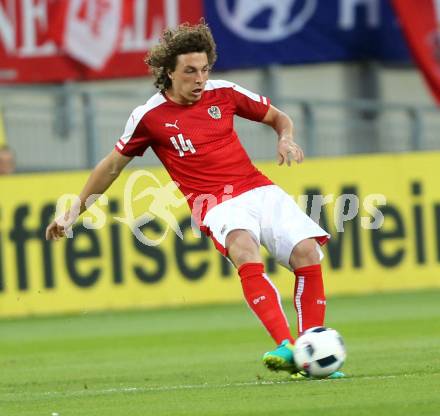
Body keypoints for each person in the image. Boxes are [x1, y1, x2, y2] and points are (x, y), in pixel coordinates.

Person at [46, 22, 343, 379]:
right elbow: (111, 166)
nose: (199, 79)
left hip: (259, 188)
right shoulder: (149, 117)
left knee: (308, 252)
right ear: (169, 72)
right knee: (243, 247)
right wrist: (74, 209)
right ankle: (287, 346)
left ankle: (311, 349)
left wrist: (286, 138)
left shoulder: (225, 93)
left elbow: (278, 117)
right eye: (190, 71)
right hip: (215, 203)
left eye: (204, 70)